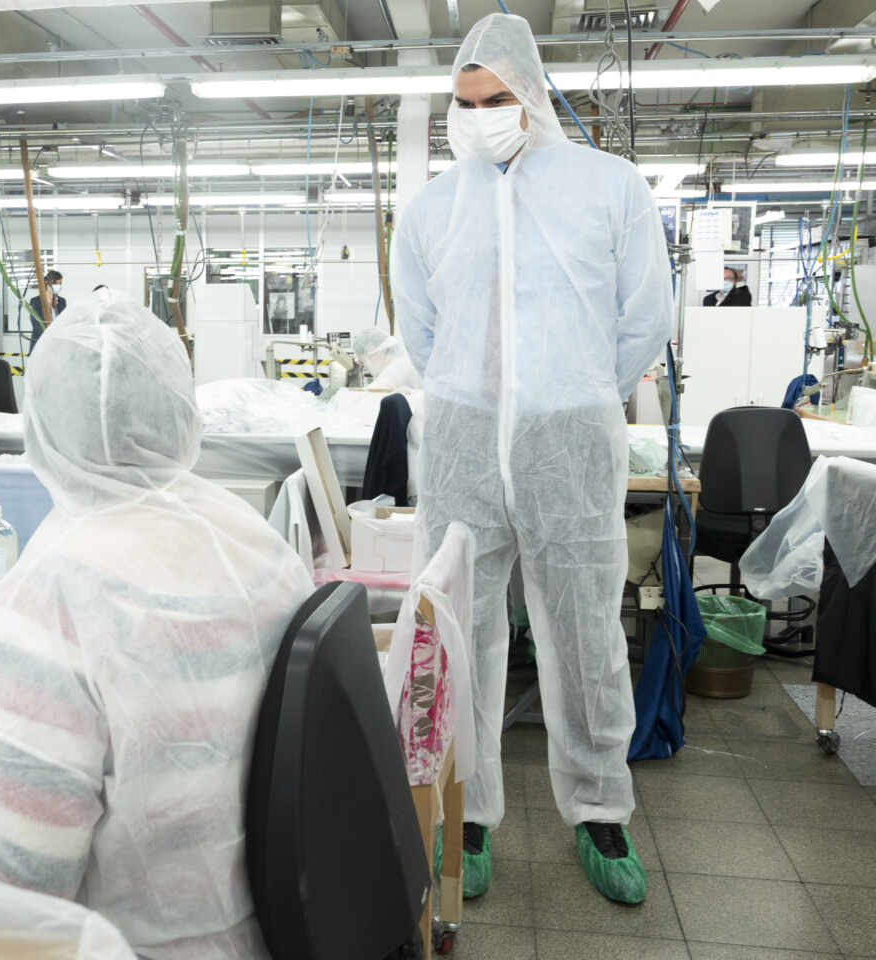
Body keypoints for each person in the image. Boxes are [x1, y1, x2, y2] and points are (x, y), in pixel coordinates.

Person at [0, 298, 313, 960]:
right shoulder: (251, 536)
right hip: (265, 935)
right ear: (178, 409)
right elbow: (173, 666)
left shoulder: (54, 597)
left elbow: (0, 897)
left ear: (41, 428)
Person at [393, 13, 670, 905]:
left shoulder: (609, 187)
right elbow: (420, 331)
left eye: (498, 98)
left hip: (568, 445)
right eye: (466, 103)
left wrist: (575, 394)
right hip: (467, 449)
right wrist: (482, 404)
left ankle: (600, 812)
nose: (481, 116)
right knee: (463, 629)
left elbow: (643, 319)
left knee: (586, 629)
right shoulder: (432, 206)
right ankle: (468, 815)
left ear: (534, 92)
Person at [25, 269, 67, 349]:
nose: (59, 287)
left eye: (60, 284)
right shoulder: (35, 302)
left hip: (58, 344)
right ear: (48, 283)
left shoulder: (62, 302)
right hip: (40, 343)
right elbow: (37, 324)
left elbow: (64, 322)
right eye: (57, 284)